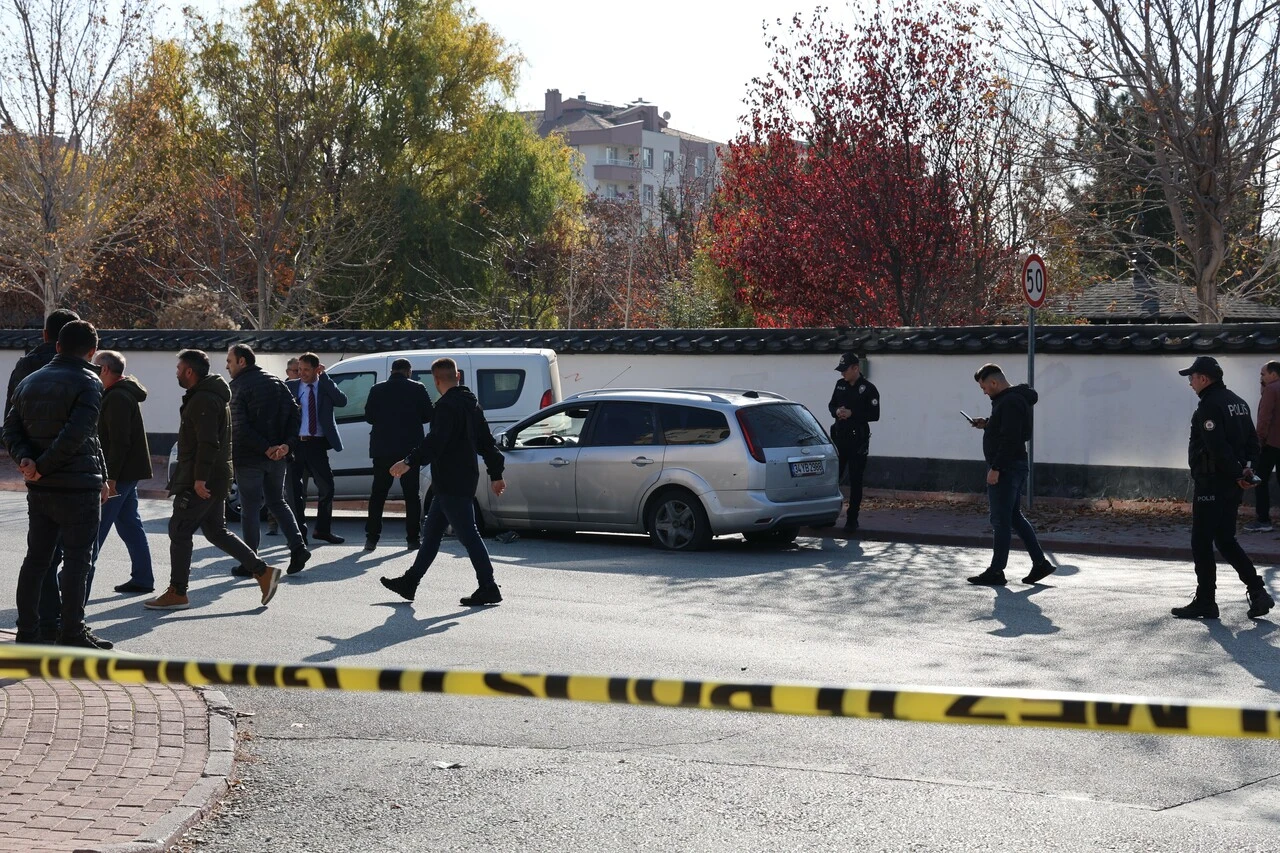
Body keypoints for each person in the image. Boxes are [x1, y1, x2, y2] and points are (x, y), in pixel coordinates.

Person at [3, 320, 113, 648]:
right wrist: (43, 466)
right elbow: (78, 434)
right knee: (78, 561)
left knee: (36, 560)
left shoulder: (29, 380)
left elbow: (10, 430)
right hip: (77, 486)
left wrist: (28, 462)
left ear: (58, 346)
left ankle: (28, 631)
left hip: (41, 489)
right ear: (92, 351)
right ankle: (72, 633)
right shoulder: (90, 381)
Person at [144, 349, 281, 610]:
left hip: (203, 479)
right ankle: (263, 572)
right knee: (216, 531)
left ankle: (178, 592)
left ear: (189, 371)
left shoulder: (204, 399)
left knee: (179, 529)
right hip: (215, 476)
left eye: (178, 369)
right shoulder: (209, 395)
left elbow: (208, 443)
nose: (176, 373)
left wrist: (199, 479)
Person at [380, 357, 506, 606]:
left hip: (450, 480)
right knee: (432, 533)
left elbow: (435, 442)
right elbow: (487, 443)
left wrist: (408, 461)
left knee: (469, 535)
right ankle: (410, 581)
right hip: (461, 478)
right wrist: (496, 474)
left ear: (436, 380)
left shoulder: (445, 407)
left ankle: (488, 586)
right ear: (457, 376)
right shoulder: (472, 405)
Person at [1173, 356, 1274, 619]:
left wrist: (1238, 472)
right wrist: (1247, 470)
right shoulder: (1237, 402)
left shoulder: (1209, 405)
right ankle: (1258, 591)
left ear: (1204, 378)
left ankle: (1206, 601)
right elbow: (1253, 442)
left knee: (1201, 540)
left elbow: (1217, 447)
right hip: (1232, 483)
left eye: (1192, 377)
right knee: (1226, 540)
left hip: (1213, 482)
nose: (1190, 383)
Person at [5, 308, 80, 641]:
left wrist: (26, 460)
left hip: (35, 471)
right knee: (74, 555)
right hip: (76, 472)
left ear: (46, 335)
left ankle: (36, 625)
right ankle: (66, 626)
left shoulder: (26, 367)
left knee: (39, 554)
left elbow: (10, 422)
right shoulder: (83, 371)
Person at [966, 363, 1056, 586]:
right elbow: (1008, 429)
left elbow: (1011, 437)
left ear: (994, 382)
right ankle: (1040, 563)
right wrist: (988, 424)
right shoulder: (1013, 399)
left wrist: (996, 468)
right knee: (1013, 516)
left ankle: (997, 570)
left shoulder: (1009, 401)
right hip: (1014, 465)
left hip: (1007, 468)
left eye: (984, 387)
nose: (984, 392)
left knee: (1000, 519)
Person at [226, 344, 310, 575]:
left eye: (230, 361)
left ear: (242, 361)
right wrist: (286, 446)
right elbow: (295, 414)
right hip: (278, 456)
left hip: (250, 457)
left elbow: (239, 427)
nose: (227, 366)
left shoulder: (238, 386)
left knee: (250, 508)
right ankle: (298, 547)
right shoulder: (277, 382)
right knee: (277, 502)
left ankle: (250, 561)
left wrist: (267, 448)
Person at [89, 350, 155, 597]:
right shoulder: (121, 391)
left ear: (105, 369)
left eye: (95, 366)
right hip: (127, 471)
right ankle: (143, 577)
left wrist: (110, 479)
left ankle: (71, 581)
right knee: (129, 524)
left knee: (97, 527)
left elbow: (119, 442)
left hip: (118, 473)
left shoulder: (117, 396)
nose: (92, 370)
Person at [363, 358, 433, 551]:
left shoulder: (377, 389)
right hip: (409, 451)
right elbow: (428, 415)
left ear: (392, 371)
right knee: (412, 495)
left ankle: (372, 538)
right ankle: (413, 539)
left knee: (378, 494)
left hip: (382, 449)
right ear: (409, 371)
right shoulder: (418, 388)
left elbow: (369, 417)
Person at [286, 352, 347, 544]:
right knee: (294, 491)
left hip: (317, 444)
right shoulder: (291, 387)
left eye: (306, 369)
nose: (302, 373)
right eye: (299, 369)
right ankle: (298, 534)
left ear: (316, 369)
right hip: (295, 443)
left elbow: (342, 401)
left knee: (327, 487)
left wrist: (325, 377)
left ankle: (322, 530)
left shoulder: (325, 386)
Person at [828, 353, 879, 532]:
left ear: (855, 368)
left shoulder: (868, 389)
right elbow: (831, 405)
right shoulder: (840, 385)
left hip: (857, 440)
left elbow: (875, 415)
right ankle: (828, 515)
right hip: (839, 437)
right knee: (833, 478)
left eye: (845, 370)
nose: (842, 373)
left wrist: (853, 414)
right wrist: (837, 411)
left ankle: (852, 518)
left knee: (856, 480)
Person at [265, 358, 300, 538]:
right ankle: (273, 524)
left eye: (301, 370)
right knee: (278, 490)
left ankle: (296, 526)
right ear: (288, 372)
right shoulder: (280, 390)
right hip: (282, 445)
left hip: (299, 443)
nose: (299, 374)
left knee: (295, 490)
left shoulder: (310, 386)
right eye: (295, 370)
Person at [1244, 360, 1280, 533]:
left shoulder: (1271, 390)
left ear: (1273, 374)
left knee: (1260, 479)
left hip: (1271, 443)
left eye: (1263, 374)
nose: (1261, 377)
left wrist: (1258, 442)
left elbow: (1264, 418)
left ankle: (1263, 520)